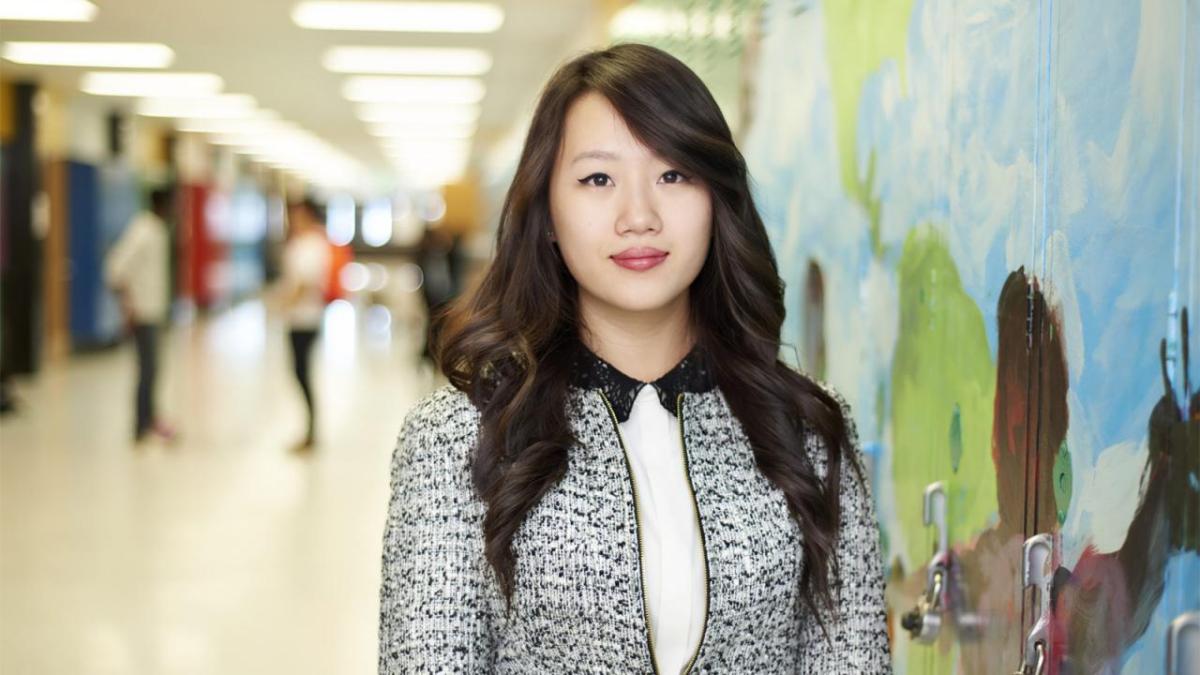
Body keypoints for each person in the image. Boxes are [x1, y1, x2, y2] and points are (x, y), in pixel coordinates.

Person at [378, 44, 892, 673]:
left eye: (673, 174)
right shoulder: (455, 438)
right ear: (546, 213)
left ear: (716, 200)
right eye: (598, 179)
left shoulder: (808, 428)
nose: (639, 216)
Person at [105, 187, 175, 443]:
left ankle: (150, 418)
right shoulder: (142, 230)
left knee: (153, 369)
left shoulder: (157, 230)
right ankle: (142, 424)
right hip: (143, 313)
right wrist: (128, 305)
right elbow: (115, 268)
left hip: (154, 311)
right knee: (147, 369)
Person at [281, 196, 331, 450]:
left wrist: (283, 304)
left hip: (305, 318)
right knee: (300, 372)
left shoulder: (310, 245)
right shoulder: (306, 243)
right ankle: (309, 429)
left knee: (302, 373)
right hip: (300, 317)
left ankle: (311, 431)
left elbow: (304, 282)